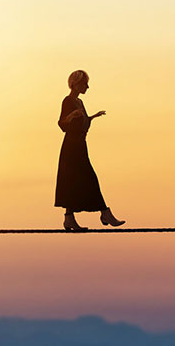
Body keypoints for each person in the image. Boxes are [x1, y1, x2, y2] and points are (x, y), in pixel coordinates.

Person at [55, 70, 124, 231]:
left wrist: (92, 117)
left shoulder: (79, 102)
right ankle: (104, 212)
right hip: (71, 147)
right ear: (75, 84)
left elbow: (82, 122)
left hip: (79, 145)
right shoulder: (68, 101)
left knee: (75, 181)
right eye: (84, 83)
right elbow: (62, 124)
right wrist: (71, 116)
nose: (87, 86)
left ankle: (69, 218)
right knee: (88, 179)